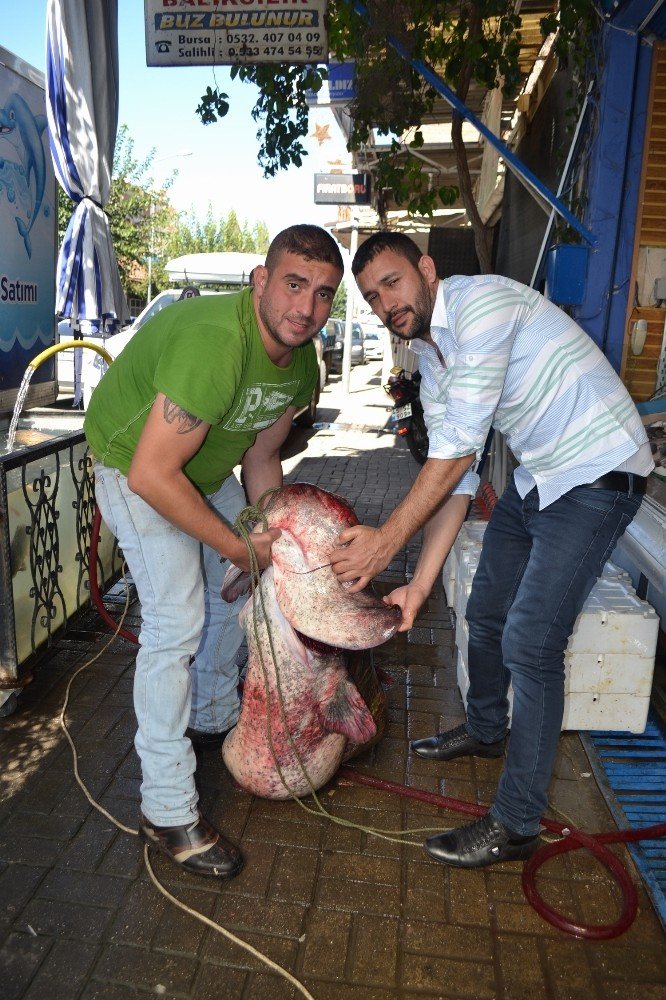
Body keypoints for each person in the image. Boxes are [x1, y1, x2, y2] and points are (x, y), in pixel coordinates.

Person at [330, 231, 653, 870]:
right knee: (484, 610)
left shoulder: (480, 310)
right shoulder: (431, 359)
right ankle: (484, 729)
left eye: (392, 283)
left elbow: (451, 460)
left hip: (599, 470)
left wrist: (387, 539)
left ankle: (517, 821)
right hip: (542, 476)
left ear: (425, 270)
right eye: (371, 298)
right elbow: (461, 475)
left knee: (530, 644)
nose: (384, 304)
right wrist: (419, 585)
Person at [84, 225, 344, 878]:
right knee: (178, 620)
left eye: (322, 294)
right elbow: (151, 474)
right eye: (292, 284)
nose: (305, 308)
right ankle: (168, 809)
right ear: (261, 281)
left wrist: (265, 534)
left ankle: (207, 716)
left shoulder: (301, 363)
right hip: (134, 464)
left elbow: (260, 454)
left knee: (248, 582)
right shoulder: (215, 342)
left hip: (199, 473)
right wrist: (237, 545)